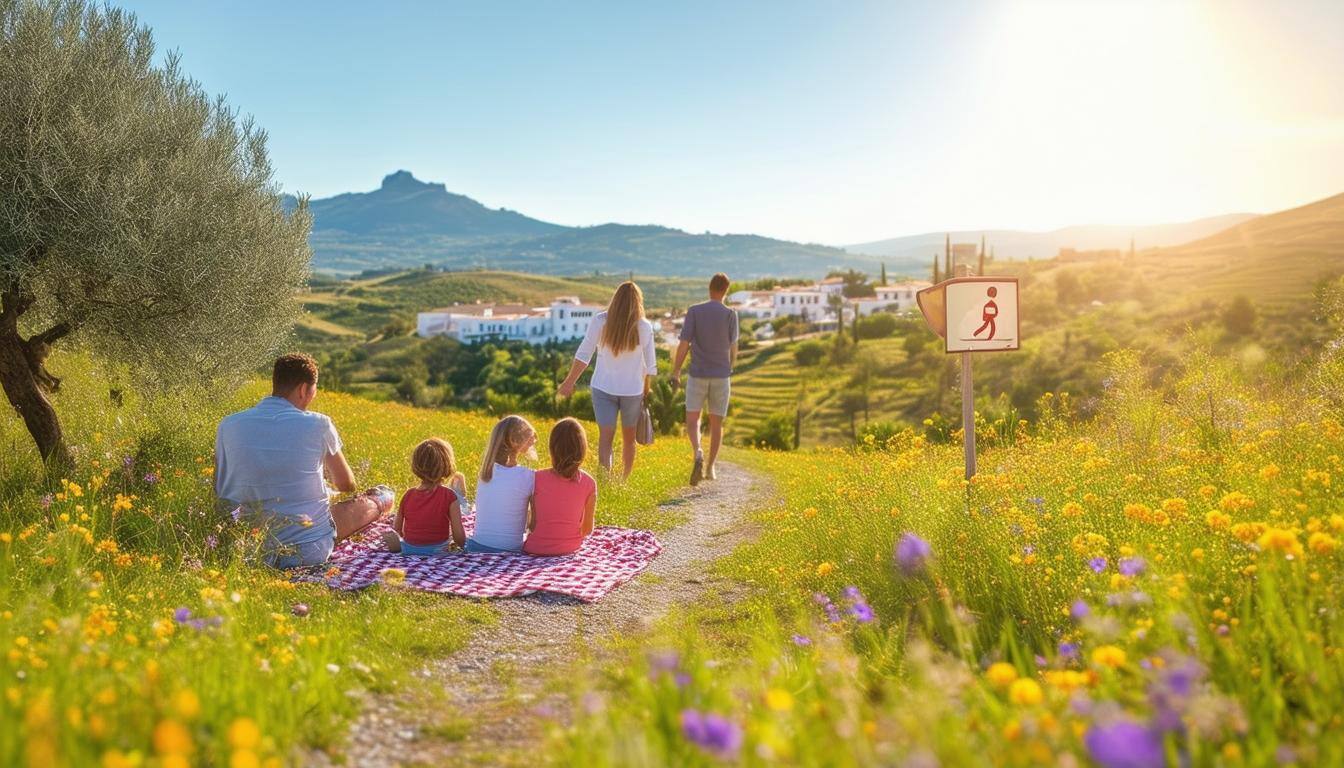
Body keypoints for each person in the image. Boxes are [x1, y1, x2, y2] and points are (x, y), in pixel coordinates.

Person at [215, 353, 391, 568]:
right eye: (314, 390)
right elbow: (346, 484)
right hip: (306, 550)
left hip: (246, 548)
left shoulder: (228, 425)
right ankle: (382, 499)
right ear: (303, 389)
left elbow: (220, 487)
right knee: (356, 506)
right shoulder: (319, 424)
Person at [557, 281, 657, 479]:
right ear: (638, 302)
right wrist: (645, 391)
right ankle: (623, 481)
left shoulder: (600, 321)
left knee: (605, 439)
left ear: (615, 299)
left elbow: (584, 354)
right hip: (632, 391)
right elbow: (650, 366)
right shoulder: (644, 327)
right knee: (629, 440)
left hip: (603, 388)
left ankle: (604, 482)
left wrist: (569, 382)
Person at [670, 273, 739, 485]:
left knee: (693, 419)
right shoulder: (731, 314)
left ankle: (698, 451)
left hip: (697, 374)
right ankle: (710, 468)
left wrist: (676, 371)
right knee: (716, 423)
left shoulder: (694, 311)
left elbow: (684, 344)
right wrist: (730, 367)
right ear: (726, 291)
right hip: (721, 375)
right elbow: (733, 348)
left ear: (709, 288)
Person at [524, 418, 598, 556]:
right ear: (582, 450)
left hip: (535, 548)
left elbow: (530, 523)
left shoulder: (535, 478)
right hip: (570, 548)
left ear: (552, 449)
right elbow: (587, 530)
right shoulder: (589, 483)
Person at [381, 438, 467, 556]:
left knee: (404, 544)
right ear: (447, 465)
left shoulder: (408, 495)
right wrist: (462, 546)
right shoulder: (449, 496)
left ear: (416, 466)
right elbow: (459, 537)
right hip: (438, 551)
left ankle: (401, 548)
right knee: (452, 549)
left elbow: (397, 530)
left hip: (409, 549)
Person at [467, 415, 537, 553]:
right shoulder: (528, 476)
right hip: (511, 550)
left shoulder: (485, 472)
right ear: (514, 441)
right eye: (529, 439)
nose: (533, 442)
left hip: (476, 547)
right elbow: (533, 525)